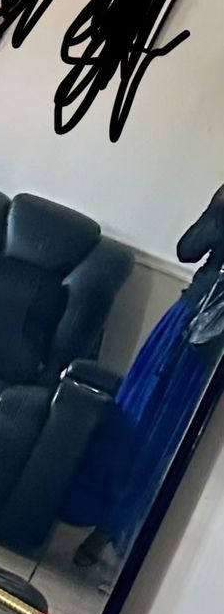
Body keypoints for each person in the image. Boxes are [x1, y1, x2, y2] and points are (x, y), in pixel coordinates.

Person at [67, 183, 224, 582]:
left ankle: (108, 533)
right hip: (186, 320)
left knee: (162, 442)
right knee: (129, 417)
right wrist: (219, 210)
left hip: (212, 347)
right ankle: (83, 512)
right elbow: (188, 250)